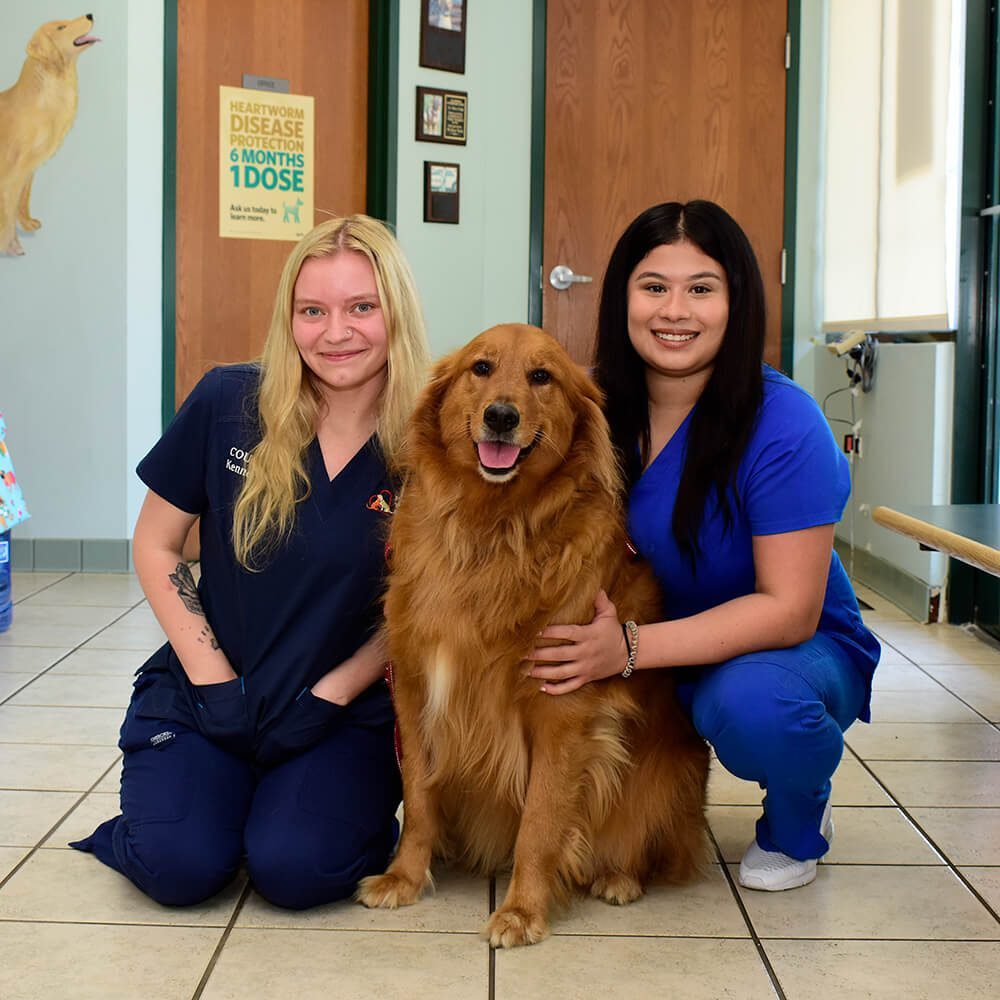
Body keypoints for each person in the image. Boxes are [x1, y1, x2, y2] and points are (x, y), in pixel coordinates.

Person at [71, 215, 431, 909]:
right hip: (210, 694)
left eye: (362, 307)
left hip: (338, 708)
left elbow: (429, 600)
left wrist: (335, 692)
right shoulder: (228, 402)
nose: (336, 332)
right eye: (312, 311)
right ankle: (182, 812)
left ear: (397, 312)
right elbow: (156, 543)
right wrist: (212, 681)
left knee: (297, 871)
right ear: (287, 317)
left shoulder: (432, 434)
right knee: (177, 866)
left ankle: (281, 812)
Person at [526, 200, 880, 892]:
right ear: (623, 297)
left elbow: (789, 611)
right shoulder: (592, 410)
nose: (674, 310)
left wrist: (625, 648)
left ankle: (798, 814)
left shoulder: (785, 423)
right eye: (654, 286)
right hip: (648, 646)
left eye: (701, 289)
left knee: (752, 706)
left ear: (736, 300)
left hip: (782, 653)